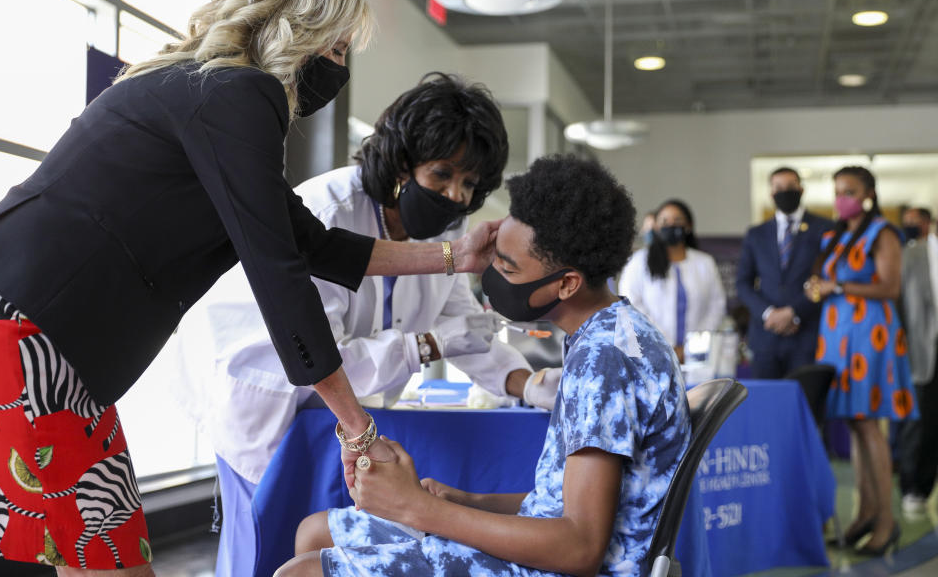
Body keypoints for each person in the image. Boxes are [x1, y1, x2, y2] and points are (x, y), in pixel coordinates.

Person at [0, 0, 496, 575]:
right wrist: (356, 429)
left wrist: (453, 255)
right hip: (23, 338)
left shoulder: (205, 93)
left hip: (37, 339)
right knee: (96, 558)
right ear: (299, 27)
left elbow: (313, 244)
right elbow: (280, 276)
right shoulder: (242, 95)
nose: (338, 69)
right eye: (336, 49)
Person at [180, 73, 552, 577]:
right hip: (269, 398)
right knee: (261, 548)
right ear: (402, 162)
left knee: (322, 542)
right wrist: (427, 346)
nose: (455, 196)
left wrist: (526, 383)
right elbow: (322, 355)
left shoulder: (448, 229)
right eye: (441, 174)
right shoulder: (329, 213)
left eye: (469, 185)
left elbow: (463, 323)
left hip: (344, 418)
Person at [276, 155, 691, 577]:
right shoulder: (619, 330)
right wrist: (464, 503)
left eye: (507, 267)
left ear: (566, 284)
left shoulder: (606, 362)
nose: (491, 275)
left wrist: (420, 510)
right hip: (554, 551)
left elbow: (579, 548)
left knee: (301, 573)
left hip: (563, 568)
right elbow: (559, 505)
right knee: (316, 533)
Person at [806, 165, 918, 555]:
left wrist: (837, 285)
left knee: (870, 425)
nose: (842, 198)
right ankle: (865, 512)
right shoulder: (838, 234)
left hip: (870, 334)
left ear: (868, 194)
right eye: (837, 190)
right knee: (855, 424)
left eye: (849, 191)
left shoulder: (883, 232)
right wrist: (819, 286)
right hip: (838, 335)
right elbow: (827, 278)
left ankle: (887, 521)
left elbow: (889, 286)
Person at [736, 167, 834, 378]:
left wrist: (794, 313)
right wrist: (769, 313)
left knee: (807, 402)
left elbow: (828, 280)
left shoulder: (825, 229)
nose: (785, 192)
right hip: (765, 337)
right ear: (771, 193)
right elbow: (743, 284)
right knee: (767, 404)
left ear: (801, 189)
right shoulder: (756, 234)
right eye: (779, 187)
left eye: (790, 187)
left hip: (807, 334)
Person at [619, 199, 726, 362]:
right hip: (651, 349)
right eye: (664, 221)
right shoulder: (639, 262)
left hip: (698, 354)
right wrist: (667, 345)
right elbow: (631, 305)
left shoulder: (704, 262)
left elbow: (716, 305)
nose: (670, 225)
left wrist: (692, 345)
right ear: (656, 226)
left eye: (677, 221)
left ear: (688, 226)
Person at [897, 207, 938, 517]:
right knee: (919, 423)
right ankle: (914, 488)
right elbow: (898, 305)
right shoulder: (910, 256)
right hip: (922, 351)